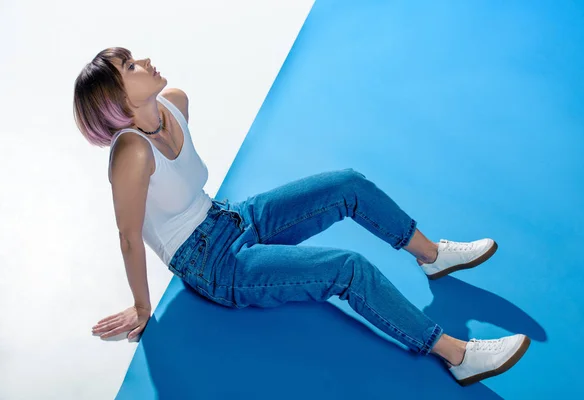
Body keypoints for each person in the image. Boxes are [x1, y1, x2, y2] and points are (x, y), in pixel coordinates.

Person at [74, 47, 530, 387]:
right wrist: (141, 305)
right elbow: (129, 235)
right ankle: (455, 354)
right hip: (211, 265)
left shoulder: (175, 102)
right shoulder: (130, 152)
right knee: (346, 269)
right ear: (115, 100)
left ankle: (432, 255)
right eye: (130, 67)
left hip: (230, 217)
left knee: (347, 184)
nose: (145, 61)